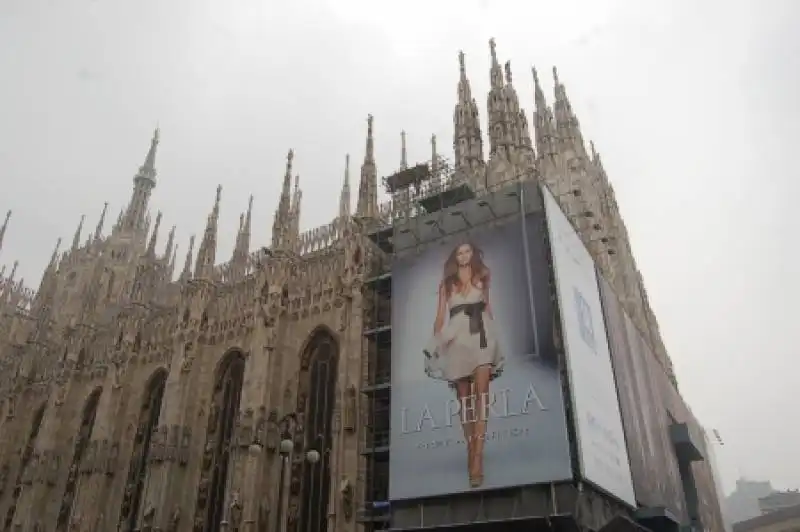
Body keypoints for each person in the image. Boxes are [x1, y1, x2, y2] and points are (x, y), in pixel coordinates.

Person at [424, 241, 504, 488]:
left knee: (482, 396)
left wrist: (495, 337)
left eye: (467, 251)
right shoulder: (446, 284)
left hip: (481, 334)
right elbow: (440, 317)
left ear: (473, 254)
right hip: (457, 338)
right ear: (454, 257)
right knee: (465, 401)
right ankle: (471, 448)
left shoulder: (483, 276)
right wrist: (436, 342)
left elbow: (488, 307)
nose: (463, 255)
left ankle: (477, 458)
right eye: (459, 252)